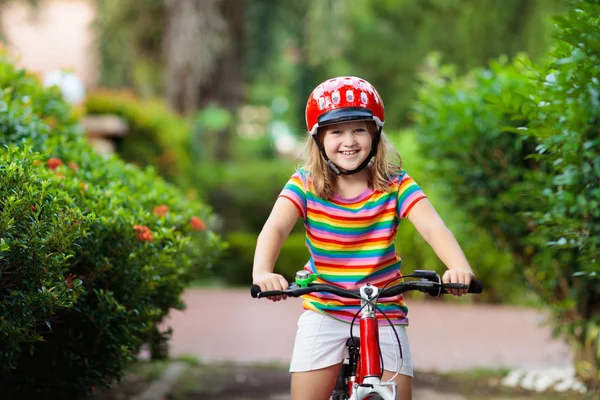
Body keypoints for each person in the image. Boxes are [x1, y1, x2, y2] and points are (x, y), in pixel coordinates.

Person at [252, 76, 475, 400]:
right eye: (336, 132)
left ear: (376, 133)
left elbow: (433, 228)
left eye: (359, 129)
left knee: (398, 395)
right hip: (325, 308)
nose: (349, 140)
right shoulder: (305, 183)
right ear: (319, 139)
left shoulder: (395, 184)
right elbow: (275, 228)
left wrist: (459, 267)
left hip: (384, 309)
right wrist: (263, 272)